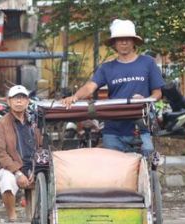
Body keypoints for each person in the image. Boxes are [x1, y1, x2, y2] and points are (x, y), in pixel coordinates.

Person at [61, 19, 164, 155]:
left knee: (146, 166)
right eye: (119, 39)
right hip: (113, 130)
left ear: (133, 41)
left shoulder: (148, 63)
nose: (124, 42)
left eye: (127, 39)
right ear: (114, 44)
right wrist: (75, 96)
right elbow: (90, 87)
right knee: (115, 171)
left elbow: (157, 93)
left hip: (141, 128)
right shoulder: (107, 68)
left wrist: (145, 100)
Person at [0, 85, 42, 222]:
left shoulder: (34, 122)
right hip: (11, 167)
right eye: (15, 98)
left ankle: (42, 218)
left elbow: (41, 147)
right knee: (7, 181)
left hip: (32, 166)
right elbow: (0, 153)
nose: (19, 101)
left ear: (27, 101)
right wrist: (18, 172)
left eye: (22, 98)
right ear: (9, 102)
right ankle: (12, 217)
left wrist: (36, 168)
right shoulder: (1, 124)